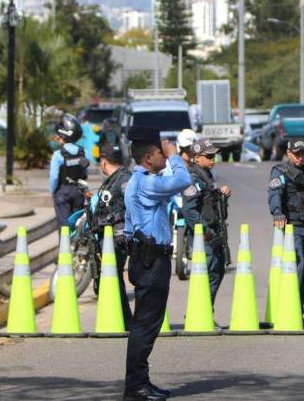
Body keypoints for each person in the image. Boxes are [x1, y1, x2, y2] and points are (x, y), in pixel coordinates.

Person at [123, 126, 191, 401]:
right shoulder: (146, 183)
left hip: (147, 258)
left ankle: (141, 382)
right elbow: (182, 180)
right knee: (145, 325)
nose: (165, 158)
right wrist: (174, 155)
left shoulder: (140, 181)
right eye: (160, 154)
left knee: (149, 324)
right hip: (151, 261)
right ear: (149, 158)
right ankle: (135, 387)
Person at [268, 139, 304, 327]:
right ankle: (289, 311)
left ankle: (298, 310)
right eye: (297, 153)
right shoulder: (280, 171)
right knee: (298, 267)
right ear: (289, 153)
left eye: (303, 153)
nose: (300, 157)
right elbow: (274, 194)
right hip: (293, 228)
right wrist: (277, 213)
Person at [181, 138, 231, 309]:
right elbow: (189, 211)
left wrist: (222, 194)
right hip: (204, 235)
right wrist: (204, 230)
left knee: (217, 271)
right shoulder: (193, 179)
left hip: (213, 231)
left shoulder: (207, 176)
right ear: (196, 158)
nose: (212, 160)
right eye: (208, 156)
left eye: (213, 156)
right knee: (209, 273)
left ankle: (205, 311)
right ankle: (199, 312)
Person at [95, 143, 133, 329]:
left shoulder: (123, 179)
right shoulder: (113, 179)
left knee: (113, 277)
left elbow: (132, 203)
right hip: (111, 238)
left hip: (118, 238)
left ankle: (125, 321)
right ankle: (125, 320)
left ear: (103, 161)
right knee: (114, 278)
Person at [48, 114, 89, 228]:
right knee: (76, 222)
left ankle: (65, 239)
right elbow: (85, 172)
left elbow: (54, 177)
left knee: (64, 224)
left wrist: (53, 191)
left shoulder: (58, 155)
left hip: (63, 191)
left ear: (63, 136)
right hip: (79, 191)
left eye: (59, 136)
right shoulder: (83, 152)